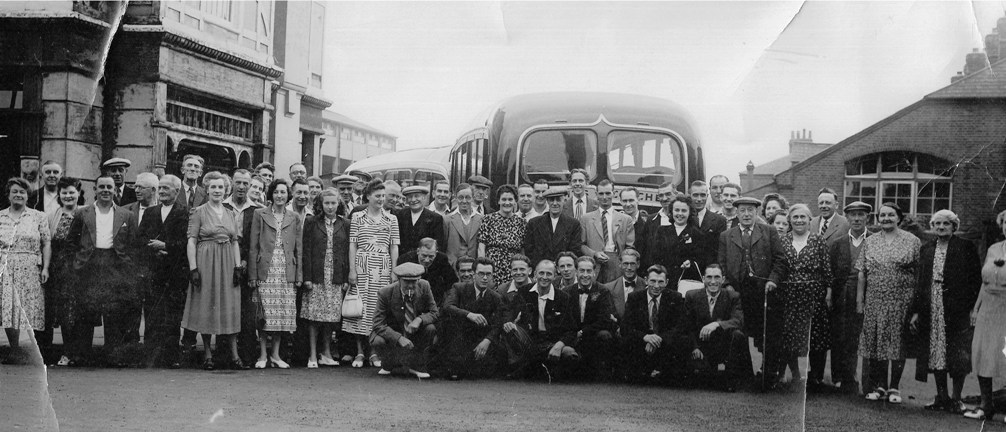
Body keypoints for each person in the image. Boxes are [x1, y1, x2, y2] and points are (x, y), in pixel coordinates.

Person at [910, 210, 981, 413]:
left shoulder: (965, 247)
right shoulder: (927, 249)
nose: (941, 227)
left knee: (958, 353)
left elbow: (975, 279)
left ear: (954, 227)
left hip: (956, 308)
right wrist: (916, 311)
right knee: (936, 351)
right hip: (931, 306)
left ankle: (956, 399)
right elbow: (921, 282)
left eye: (946, 224)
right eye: (937, 224)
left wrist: (971, 308)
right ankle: (942, 397)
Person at [66, 174, 138, 366]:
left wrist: (127, 266)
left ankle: (114, 357)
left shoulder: (126, 215)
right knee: (86, 311)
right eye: (102, 187)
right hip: (89, 265)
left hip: (115, 265)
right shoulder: (83, 213)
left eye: (109, 187)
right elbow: (72, 242)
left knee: (114, 313)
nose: (106, 190)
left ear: (115, 190)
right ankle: (81, 355)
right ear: (95, 190)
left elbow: (133, 244)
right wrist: (76, 264)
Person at [717, 196, 787, 384]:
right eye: (742, 211)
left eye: (750, 210)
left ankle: (768, 373)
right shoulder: (727, 235)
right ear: (736, 213)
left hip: (763, 291)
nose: (746, 214)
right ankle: (743, 372)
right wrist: (727, 286)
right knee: (738, 331)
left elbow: (780, 260)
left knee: (765, 334)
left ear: (756, 212)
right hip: (737, 291)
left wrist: (772, 281)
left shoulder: (769, 231)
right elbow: (722, 264)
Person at [856, 202, 920, 404]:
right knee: (878, 342)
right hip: (875, 299)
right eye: (882, 215)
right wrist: (860, 299)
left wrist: (917, 306)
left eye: (891, 215)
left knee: (898, 343)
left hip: (902, 300)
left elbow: (919, 274)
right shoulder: (870, 242)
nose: (886, 219)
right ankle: (880, 386)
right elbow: (861, 273)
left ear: (899, 218)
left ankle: (894, 388)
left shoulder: (912, 241)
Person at [181, 172, 246, 371]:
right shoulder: (198, 211)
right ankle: (208, 354)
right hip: (206, 261)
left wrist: (237, 267)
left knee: (229, 304)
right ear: (207, 189)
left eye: (221, 187)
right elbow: (192, 241)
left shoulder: (230, 213)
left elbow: (234, 241)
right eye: (213, 187)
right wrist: (193, 268)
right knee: (207, 304)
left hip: (227, 262)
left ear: (226, 190)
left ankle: (234, 355)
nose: (217, 190)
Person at [776, 204, 833, 391]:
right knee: (789, 337)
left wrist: (829, 293)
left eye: (803, 217)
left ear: (810, 220)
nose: (799, 220)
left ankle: (815, 377)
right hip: (789, 296)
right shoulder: (782, 241)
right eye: (795, 217)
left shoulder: (818, 240)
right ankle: (795, 373)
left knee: (815, 337)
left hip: (814, 296)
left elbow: (826, 269)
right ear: (789, 220)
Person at [248, 179, 303, 369]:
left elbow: (299, 248)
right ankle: (262, 355)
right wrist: (253, 276)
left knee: (281, 314)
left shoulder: (294, 216)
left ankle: (276, 355)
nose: (280, 196)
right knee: (265, 313)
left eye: (283, 192)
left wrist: (299, 276)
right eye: (276, 192)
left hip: (286, 268)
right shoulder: (259, 214)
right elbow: (253, 247)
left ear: (288, 195)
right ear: (271, 195)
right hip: (267, 268)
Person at [137, 174, 189, 368]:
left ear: (177, 191)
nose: (163, 191)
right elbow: (140, 238)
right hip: (154, 271)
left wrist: (166, 245)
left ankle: (170, 356)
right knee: (152, 313)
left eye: (167, 188)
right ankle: (150, 356)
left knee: (172, 316)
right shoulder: (150, 212)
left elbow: (186, 243)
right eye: (161, 188)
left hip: (174, 273)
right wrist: (153, 248)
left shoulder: (185, 213)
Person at [347, 179, 400, 368]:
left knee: (378, 310)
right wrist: (352, 270)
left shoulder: (391, 218)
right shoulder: (357, 217)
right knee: (360, 310)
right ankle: (360, 352)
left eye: (383, 196)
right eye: (377, 196)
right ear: (368, 196)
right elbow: (352, 244)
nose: (381, 199)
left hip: (383, 266)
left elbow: (394, 246)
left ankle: (374, 352)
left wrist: (394, 271)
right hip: (362, 265)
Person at [0, 177, 50, 364]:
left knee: (29, 307)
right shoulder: (1, 216)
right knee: (10, 307)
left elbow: (46, 243)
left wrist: (45, 267)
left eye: (22, 192)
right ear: (8, 195)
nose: (18, 195)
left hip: (30, 266)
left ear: (28, 196)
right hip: (6, 266)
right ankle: (14, 349)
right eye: (15, 191)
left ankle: (33, 350)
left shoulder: (38, 216)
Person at [501, 259, 578, 380]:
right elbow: (510, 312)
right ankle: (526, 369)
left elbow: (571, 330)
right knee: (510, 330)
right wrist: (509, 322)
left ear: (555, 276)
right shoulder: (524, 292)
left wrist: (558, 346)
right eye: (541, 273)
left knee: (569, 354)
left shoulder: (564, 298)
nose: (544, 277)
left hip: (552, 342)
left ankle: (542, 370)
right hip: (530, 340)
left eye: (549, 274)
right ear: (535, 274)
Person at [301, 189, 349, 368]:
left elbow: (346, 253)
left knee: (331, 317)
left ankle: (326, 353)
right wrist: (307, 277)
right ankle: (313, 354)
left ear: (338, 204)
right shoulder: (312, 222)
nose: (330, 206)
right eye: (326, 203)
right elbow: (306, 251)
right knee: (314, 317)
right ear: (321, 205)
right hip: (317, 275)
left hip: (335, 275)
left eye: (333, 203)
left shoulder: (345, 223)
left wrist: (345, 278)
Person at [965, 209, 1006, 420]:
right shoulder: (993, 248)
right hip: (988, 307)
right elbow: (985, 281)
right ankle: (985, 405)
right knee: (983, 354)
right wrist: (977, 307)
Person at [683, 264, 751, 392]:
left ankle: (731, 380)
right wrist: (695, 347)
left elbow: (738, 321)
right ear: (703, 278)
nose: (713, 281)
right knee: (701, 380)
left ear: (723, 279)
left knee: (737, 334)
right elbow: (687, 325)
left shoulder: (733, 296)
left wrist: (717, 324)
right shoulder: (692, 296)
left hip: (722, 346)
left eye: (717, 277)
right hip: (701, 345)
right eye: (709, 277)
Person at [828, 201, 872, 394]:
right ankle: (840, 376)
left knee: (859, 336)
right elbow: (831, 272)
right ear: (846, 218)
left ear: (867, 218)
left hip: (867, 293)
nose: (856, 218)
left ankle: (856, 377)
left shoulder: (874, 240)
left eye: (860, 214)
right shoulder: (837, 243)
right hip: (842, 294)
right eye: (852, 215)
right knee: (841, 335)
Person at [371, 262, 439, 378]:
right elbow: (377, 323)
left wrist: (419, 320)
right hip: (393, 332)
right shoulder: (385, 292)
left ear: (419, 279)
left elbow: (435, 312)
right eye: (406, 281)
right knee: (378, 340)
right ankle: (388, 364)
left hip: (414, 331)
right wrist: (398, 338)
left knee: (430, 328)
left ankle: (417, 365)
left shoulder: (425, 286)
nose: (411, 286)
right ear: (398, 280)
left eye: (414, 281)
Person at [621, 264, 688, 382]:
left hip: (664, 342)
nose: (656, 286)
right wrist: (645, 337)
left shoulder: (675, 297)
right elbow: (626, 326)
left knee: (682, 340)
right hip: (642, 342)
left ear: (667, 282)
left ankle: (666, 373)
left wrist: (658, 339)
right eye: (653, 281)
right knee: (627, 341)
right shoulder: (634, 298)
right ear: (646, 280)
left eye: (660, 282)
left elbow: (680, 326)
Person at [441, 257, 505, 380]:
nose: (485, 278)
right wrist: (469, 314)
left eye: (488, 274)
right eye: (481, 274)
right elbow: (447, 307)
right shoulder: (459, 288)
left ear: (492, 276)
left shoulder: (496, 297)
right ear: (474, 274)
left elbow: (498, 323)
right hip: (459, 338)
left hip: (480, 340)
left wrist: (487, 340)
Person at [44, 177, 83, 366]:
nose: (68, 196)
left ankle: (72, 353)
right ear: (59, 195)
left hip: (77, 268)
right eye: (64, 192)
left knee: (73, 312)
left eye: (71, 192)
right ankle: (54, 353)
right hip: (57, 268)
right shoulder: (53, 215)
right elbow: (48, 243)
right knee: (56, 310)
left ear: (78, 194)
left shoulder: (85, 213)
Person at [562, 256, 617, 379]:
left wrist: (583, 332)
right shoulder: (567, 291)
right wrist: (573, 333)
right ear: (576, 272)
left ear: (594, 272)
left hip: (593, 334)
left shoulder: (603, 291)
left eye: (588, 271)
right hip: (573, 334)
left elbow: (604, 319)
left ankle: (602, 373)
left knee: (605, 335)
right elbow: (565, 318)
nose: (585, 275)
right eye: (582, 271)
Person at [121, 172, 159, 344]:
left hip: (155, 268)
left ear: (152, 190)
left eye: (140, 187)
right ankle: (131, 348)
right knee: (131, 310)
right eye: (135, 186)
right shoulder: (126, 210)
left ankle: (150, 348)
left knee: (153, 310)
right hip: (132, 267)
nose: (136, 190)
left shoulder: (163, 210)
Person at [643, 193, 705, 284]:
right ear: (671, 212)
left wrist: (690, 263)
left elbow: (701, 259)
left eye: (684, 211)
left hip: (686, 280)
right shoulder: (661, 231)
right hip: (664, 280)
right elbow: (654, 257)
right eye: (677, 210)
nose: (680, 214)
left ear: (690, 212)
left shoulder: (697, 234)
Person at [580, 180, 634, 284]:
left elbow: (630, 247)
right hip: (595, 265)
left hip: (617, 265)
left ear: (614, 193)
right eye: (601, 193)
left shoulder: (625, 219)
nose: (604, 197)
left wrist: (622, 261)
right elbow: (581, 245)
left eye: (608, 193)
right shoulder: (586, 218)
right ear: (596, 195)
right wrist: (594, 254)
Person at [523, 187, 582, 270]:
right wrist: (542, 266)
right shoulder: (534, 223)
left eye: (558, 200)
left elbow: (575, 250)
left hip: (563, 271)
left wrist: (559, 265)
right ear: (547, 201)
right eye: (551, 200)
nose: (554, 203)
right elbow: (529, 250)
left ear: (564, 201)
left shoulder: (573, 224)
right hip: (541, 270)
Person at [478, 185, 526, 283]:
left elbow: (522, 251)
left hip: (513, 271)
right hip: (492, 270)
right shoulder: (488, 219)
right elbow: (481, 248)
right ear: (498, 201)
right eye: (503, 199)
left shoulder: (521, 223)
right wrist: (484, 269)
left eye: (510, 199)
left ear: (515, 201)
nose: (507, 203)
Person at [397, 238, 458, 306]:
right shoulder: (405, 259)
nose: (427, 260)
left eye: (431, 256)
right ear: (418, 251)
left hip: (435, 299)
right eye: (424, 255)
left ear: (436, 253)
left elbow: (452, 282)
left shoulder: (442, 259)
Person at [397, 185, 445, 252]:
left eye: (417, 196)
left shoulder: (435, 219)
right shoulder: (400, 215)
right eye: (410, 197)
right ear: (407, 199)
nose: (413, 200)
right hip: (403, 260)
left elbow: (439, 246)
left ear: (424, 198)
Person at [689, 181, 727, 266]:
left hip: (709, 269)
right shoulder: (684, 218)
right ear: (690, 196)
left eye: (702, 195)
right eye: (695, 195)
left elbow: (720, 251)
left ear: (707, 196)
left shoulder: (719, 220)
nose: (699, 199)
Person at [602, 248, 645, 321]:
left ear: (638, 264)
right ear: (620, 264)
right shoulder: (609, 288)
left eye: (632, 264)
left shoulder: (646, 286)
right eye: (625, 264)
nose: (629, 268)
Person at [443, 184, 482, 266]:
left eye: (468, 197)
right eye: (461, 197)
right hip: (453, 268)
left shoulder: (481, 219)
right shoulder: (448, 220)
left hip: (473, 268)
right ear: (456, 198)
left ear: (472, 197)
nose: (464, 201)